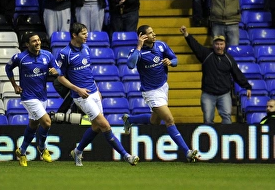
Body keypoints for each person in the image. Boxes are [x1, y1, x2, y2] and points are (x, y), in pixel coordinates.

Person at [56, 22, 139, 166]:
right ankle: (127, 156)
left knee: (96, 127)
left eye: (86, 33)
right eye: (83, 33)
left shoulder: (86, 48)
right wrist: (77, 90)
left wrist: (97, 89)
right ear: (74, 35)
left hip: (94, 92)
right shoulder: (65, 54)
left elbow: (88, 72)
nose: (86, 36)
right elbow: (59, 77)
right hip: (81, 96)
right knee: (105, 126)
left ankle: (77, 151)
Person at [122, 25, 199, 163]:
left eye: (153, 32)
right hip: (151, 92)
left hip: (163, 87)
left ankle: (130, 120)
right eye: (150, 33)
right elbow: (130, 65)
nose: (154, 34)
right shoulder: (137, 52)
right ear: (143, 36)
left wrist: (171, 62)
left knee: (154, 122)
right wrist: (139, 46)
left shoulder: (161, 45)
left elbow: (175, 60)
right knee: (169, 120)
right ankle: (187, 152)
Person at [5, 32, 61, 167]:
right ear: (27, 44)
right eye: (34, 41)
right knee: (47, 123)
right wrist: (15, 85)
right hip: (28, 97)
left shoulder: (47, 55)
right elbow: (8, 68)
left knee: (33, 125)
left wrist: (56, 72)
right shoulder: (20, 57)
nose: (38, 43)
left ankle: (22, 151)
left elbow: (58, 69)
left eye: (38, 40)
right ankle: (42, 148)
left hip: (42, 96)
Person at [180, 25, 252, 124]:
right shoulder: (206, 54)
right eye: (217, 44)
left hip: (224, 94)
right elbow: (195, 46)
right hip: (208, 94)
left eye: (221, 44)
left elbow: (237, 73)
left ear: (225, 45)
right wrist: (186, 34)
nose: (219, 46)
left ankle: (227, 138)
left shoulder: (229, 59)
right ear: (213, 45)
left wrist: (246, 86)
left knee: (227, 118)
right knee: (208, 120)